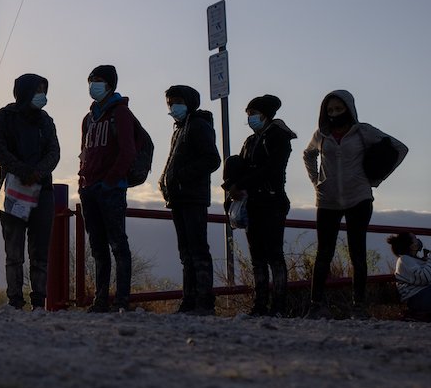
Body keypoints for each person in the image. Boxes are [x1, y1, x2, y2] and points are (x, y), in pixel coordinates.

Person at [303, 90, 407, 319]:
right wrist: (316, 181)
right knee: (324, 254)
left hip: (359, 199)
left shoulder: (364, 132)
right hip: (327, 201)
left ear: (349, 109)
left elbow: (400, 148)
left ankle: (358, 307)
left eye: (338, 109)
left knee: (357, 254)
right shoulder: (321, 135)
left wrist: (377, 178)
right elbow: (308, 154)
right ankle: (315, 305)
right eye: (329, 110)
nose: (334, 113)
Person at [0, 74, 60, 310]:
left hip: (43, 192)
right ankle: (15, 301)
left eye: (44, 89)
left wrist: (38, 173)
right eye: (37, 89)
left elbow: (54, 152)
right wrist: (22, 171)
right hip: (12, 191)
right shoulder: (3, 117)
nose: (42, 95)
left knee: (40, 250)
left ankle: (39, 301)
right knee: (14, 250)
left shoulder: (46, 121)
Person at [221, 95, 296, 316]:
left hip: (272, 202)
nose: (250, 118)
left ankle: (279, 306)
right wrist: (232, 186)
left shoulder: (279, 137)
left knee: (274, 254)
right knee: (257, 257)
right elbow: (243, 167)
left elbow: (272, 169)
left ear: (265, 114)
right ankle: (260, 304)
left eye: (253, 113)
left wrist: (241, 183)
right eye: (248, 114)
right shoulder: (251, 141)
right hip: (252, 203)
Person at [159, 85, 221, 315]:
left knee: (197, 249)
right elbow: (173, 160)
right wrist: (165, 179)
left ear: (189, 102)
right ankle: (189, 300)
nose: (172, 106)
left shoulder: (198, 125)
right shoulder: (180, 128)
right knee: (186, 251)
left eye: (176, 101)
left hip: (193, 196)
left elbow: (212, 159)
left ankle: (204, 301)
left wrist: (183, 175)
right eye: (169, 102)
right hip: (178, 197)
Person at [79, 65, 136, 313]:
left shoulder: (121, 113)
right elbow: (85, 151)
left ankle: (122, 299)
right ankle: (100, 300)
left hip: (111, 190)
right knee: (97, 247)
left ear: (111, 84)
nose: (94, 85)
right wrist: (83, 181)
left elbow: (128, 151)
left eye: (99, 81)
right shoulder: (88, 118)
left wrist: (111, 180)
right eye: (91, 80)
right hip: (89, 189)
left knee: (118, 245)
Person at [387, 233, 431, 314]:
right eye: (415, 239)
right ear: (412, 246)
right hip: (415, 297)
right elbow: (425, 277)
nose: (418, 240)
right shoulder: (404, 260)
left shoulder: (414, 260)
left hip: (423, 294)